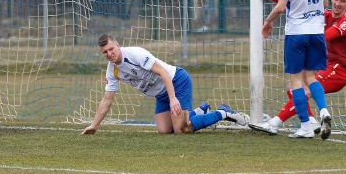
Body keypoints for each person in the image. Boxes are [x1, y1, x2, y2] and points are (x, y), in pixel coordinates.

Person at [81, 34, 249, 135]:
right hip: (161, 95)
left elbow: (163, 72)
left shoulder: (136, 54)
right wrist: (94, 126)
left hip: (177, 82)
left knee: (182, 129)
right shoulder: (112, 71)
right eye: (105, 52)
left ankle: (224, 112)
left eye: (111, 49)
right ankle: (199, 111)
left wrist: (173, 98)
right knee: (164, 131)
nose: (109, 54)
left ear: (118, 45)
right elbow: (107, 100)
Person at [249, 0, 331, 139]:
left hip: (296, 33)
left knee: (295, 80)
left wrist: (268, 21)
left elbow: (281, 7)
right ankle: (324, 111)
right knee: (310, 77)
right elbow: (325, 3)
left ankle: (305, 126)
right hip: (316, 32)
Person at [251, 0, 346, 139]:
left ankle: (274, 123)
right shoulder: (327, 16)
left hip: (340, 70)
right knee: (292, 88)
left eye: (343, 1)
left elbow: (324, 37)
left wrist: (300, 39)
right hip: (327, 65)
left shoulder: (344, 22)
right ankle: (310, 124)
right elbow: (300, 8)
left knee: (304, 91)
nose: (338, 4)